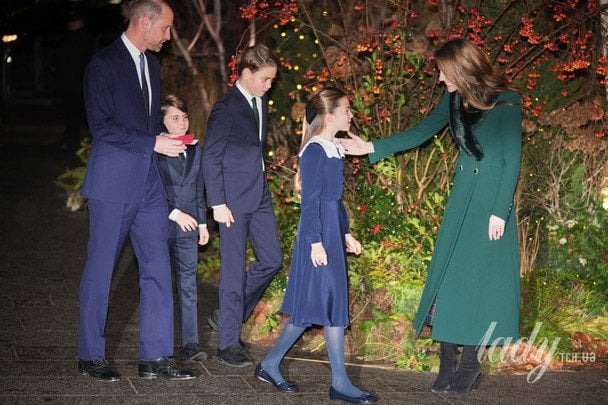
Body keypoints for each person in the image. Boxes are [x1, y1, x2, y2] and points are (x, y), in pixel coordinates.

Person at [341, 37, 522, 396]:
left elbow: (511, 160)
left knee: (477, 284)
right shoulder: (453, 99)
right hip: (461, 200)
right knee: (448, 279)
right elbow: (422, 131)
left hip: (490, 206)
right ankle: (446, 361)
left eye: (443, 73)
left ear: (462, 69)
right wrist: (372, 146)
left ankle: (469, 364)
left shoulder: (506, 101)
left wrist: (499, 211)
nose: (440, 79)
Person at [77, 0, 195, 382]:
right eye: (165, 28)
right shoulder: (103, 64)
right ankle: (90, 356)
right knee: (101, 270)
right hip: (113, 183)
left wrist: (167, 140)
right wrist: (153, 142)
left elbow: (147, 125)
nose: (168, 36)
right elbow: (101, 126)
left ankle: (155, 357)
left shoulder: (152, 64)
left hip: (149, 184)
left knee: (158, 268)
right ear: (144, 22)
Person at [255, 87, 378, 404]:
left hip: (330, 233)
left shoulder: (332, 148)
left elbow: (333, 199)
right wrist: (315, 243)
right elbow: (310, 203)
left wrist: (345, 233)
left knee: (314, 306)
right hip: (318, 237)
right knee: (324, 304)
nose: (351, 114)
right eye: (346, 109)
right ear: (329, 115)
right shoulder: (314, 152)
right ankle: (339, 383)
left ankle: (270, 365)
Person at [202, 43, 283, 368]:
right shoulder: (227, 109)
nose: (269, 85)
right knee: (233, 272)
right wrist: (217, 203)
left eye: (272, 79)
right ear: (247, 73)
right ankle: (227, 344)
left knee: (272, 259)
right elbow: (211, 157)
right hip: (232, 201)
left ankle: (227, 315)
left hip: (258, 194)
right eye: (265, 79)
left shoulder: (259, 101)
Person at [158, 94, 209, 363]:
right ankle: (160, 344)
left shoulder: (195, 149)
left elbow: (198, 188)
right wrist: (175, 213)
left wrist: (202, 222)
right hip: (159, 226)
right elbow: (151, 190)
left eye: (185, 117)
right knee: (160, 286)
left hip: (189, 228)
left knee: (189, 285)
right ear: (162, 122)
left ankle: (190, 343)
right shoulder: (154, 150)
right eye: (175, 118)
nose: (182, 123)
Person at [54, 10, 94, 150]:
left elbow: (84, 60)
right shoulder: (67, 38)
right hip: (68, 81)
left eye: (75, 21)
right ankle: (70, 138)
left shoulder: (85, 39)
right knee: (69, 112)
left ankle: (78, 140)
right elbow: (59, 58)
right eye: (71, 22)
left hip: (79, 81)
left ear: (81, 23)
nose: (72, 24)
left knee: (79, 113)